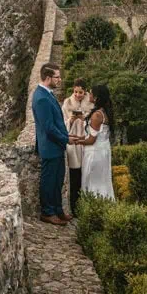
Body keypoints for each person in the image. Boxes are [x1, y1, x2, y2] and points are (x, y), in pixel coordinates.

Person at [31, 62, 72, 225]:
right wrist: (66, 139)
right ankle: (47, 212)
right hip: (50, 147)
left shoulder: (47, 93)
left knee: (57, 180)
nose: (60, 80)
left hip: (56, 146)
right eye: (57, 77)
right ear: (48, 78)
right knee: (49, 181)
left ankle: (58, 210)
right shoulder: (41, 98)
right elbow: (48, 127)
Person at [73, 83, 115, 200]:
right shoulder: (104, 112)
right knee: (102, 181)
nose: (88, 95)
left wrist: (76, 141)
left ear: (96, 97)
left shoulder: (97, 115)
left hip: (94, 153)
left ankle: (93, 205)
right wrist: (78, 137)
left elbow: (91, 140)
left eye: (90, 93)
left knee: (92, 181)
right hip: (103, 150)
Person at [61, 78, 93, 215]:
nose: (78, 95)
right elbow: (62, 122)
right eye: (75, 92)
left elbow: (94, 124)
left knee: (87, 174)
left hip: (86, 142)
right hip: (73, 143)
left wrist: (84, 119)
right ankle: (74, 207)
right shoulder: (67, 103)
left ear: (85, 91)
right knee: (74, 175)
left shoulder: (91, 104)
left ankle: (88, 205)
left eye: (80, 92)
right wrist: (70, 120)